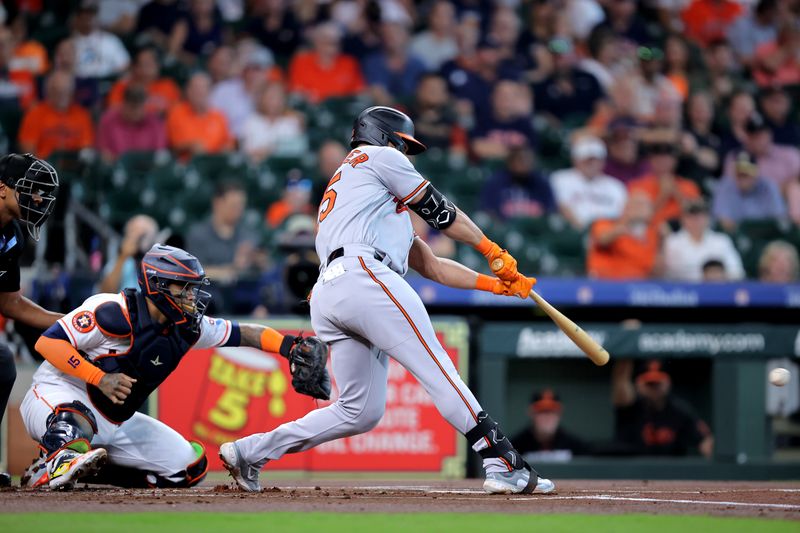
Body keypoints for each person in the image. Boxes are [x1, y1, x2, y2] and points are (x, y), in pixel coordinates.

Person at [219, 106, 556, 495]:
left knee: (359, 411)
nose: (406, 153)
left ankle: (250, 451)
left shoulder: (365, 194)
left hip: (333, 291)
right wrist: (490, 247)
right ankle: (501, 460)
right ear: (382, 136)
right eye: (403, 144)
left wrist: (495, 285)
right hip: (363, 277)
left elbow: (431, 266)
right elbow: (441, 213)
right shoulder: (378, 157)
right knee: (437, 367)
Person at [19, 244, 328, 489]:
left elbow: (244, 333)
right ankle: (53, 464)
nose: (193, 297)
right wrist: (98, 377)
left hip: (115, 421)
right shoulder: (110, 310)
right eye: (185, 288)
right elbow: (48, 342)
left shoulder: (187, 327)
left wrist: (288, 347)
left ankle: (78, 468)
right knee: (77, 417)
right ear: (158, 285)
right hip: (55, 396)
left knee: (188, 469)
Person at [0, 153, 62, 487]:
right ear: (2, 189)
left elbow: (10, 303)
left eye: (42, 192)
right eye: (31, 189)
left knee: (2, 362)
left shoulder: (11, 237)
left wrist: (70, 320)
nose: (39, 199)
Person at [612, 359, 713, 457]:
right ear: (638, 384)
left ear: (668, 383)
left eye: (658, 383)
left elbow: (706, 442)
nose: (654, 387)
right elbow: (621, 380)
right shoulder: (630, 407)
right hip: (632, 472)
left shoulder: (680, 411)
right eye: (649, 383)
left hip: (671, 472)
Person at [185, 180, 258, 287]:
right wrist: (232, 269)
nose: (239, 210)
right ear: (217, 203)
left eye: (241, 205)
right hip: (208, 296)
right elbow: (194, 272)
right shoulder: (198, 235)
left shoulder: (248, 234)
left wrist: (257, 261)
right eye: (234, 205)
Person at [551, 136, 627, 231]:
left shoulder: (615, 186)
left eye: (596, 159)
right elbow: (562, 207)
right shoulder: (560, 179)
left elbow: (623, 215)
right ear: (575, 159)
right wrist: (583, 231)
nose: (592, 164)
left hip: (607, 235)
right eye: (587, 160)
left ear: (603, 161)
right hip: (572, 233)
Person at [662, 199, 744, 281]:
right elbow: (667, 274)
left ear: (708, 218)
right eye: (691, 216)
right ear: (682, 219)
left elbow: (737, 272)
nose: (696, 220)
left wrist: (718, 275)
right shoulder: (672, 242)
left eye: (700, 216)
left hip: (716, 289)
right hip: (684, 291)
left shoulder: (721, 240)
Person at [18, 71, 94, 158]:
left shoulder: (82, 115)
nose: (62, 95)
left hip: (74, 166)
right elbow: (28, 150)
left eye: (66, 90)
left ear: (72, 92)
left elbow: (86, 149)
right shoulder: (34, 114)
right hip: (44, 166)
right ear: (48, 91)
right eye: (56, 90)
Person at [587, 191, 662, 279]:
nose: (641, 209)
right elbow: (602, 239)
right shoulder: (605, 223)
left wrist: (662, 242)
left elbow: (657, 269)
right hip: (605, 283)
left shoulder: (652, 234)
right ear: (625, 207)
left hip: (638, 286)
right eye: (638, 204)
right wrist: (624, 226)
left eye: (647, 205)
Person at [287, 22, 365, 104]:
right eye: (327, 42)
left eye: (335, 43)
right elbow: (295, 90)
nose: (332, 47)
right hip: (311, 109)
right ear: (317, 42)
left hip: (342, 110)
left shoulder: (349, 63)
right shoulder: (301, 61)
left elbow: (360, 92)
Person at [628, 142, 701, 228]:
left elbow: (697, 217)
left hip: (681, 233)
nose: (662, 162)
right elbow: (636, 220)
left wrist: (677, 194)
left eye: (667, 158)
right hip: (650, 233)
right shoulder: (637, 185)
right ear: (650, 160)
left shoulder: (689, 186)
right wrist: (662, 196)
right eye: (658, 158)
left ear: (675, 161)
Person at [712, 150, 787, 232]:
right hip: (736, 236)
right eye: (740, 174)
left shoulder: (768, 187)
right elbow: (723, 221)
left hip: (765, 235)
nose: (743, 178)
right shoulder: (725, 186)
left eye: (746, 174)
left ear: (756, 173)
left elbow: (778, 219)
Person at [165, 71, 232, 160]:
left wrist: (226, 148)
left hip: (215, 166)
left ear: (210, 92)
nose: (200, 93)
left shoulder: (219, 116)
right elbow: (173, 146)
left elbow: (228, 142)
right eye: (196, 89)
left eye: (203, 88)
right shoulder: (176, 113)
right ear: (188, 91)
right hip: (187, 166)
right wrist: (190, 146)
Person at [511, 390, 590, 463]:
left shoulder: (575, 445)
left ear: (559, 414)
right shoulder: (516, 445)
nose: (547, 417)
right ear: (531, 413)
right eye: (542, 412)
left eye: (552, 412)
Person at [479, 145, 556, 220]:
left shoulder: (541, 182)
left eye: (528, 161)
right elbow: (488, 210)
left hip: (536, 230)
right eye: (521, 160)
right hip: (504, 229)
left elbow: (549, 211)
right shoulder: (496, 182)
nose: (525, 164)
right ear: (510, 162)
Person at [96, 85, 167, 162]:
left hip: (148, 168)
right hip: (116, 167)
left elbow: (160, 153)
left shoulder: (155, 122)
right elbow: (103, 150)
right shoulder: (108, 119)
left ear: (145, 106)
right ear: (123, 104)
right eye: (132, 107)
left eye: (139, 107)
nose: (135, 112)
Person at [240, 81, 307, 164]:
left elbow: (297, 150)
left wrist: (269, 150)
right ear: (262, 99)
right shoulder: (251, 122)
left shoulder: (291, 122)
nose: (274, 102)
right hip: (256, 169)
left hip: (284, 168)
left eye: (278, 97)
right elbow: (246, 152)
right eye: (270, 97)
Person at [362, 21, 428, 105]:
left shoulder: (418, 64)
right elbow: (374, 89)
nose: (391, 38)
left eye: (396, 34)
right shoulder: (372, 62)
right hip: (381, 110)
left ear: (406, 36)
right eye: (386, 35)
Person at [106, 46, 182, 116]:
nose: (147, 69)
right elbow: (114, 112)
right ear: (134, 67)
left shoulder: (169, 86)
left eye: (151, 63)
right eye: (143, 64)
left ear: (158, 66)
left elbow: (176, 113)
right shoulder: (121, 86)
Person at [470, 80, 536, 161]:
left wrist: (495, 149)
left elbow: (529, 154)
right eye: (501, 95)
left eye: (509, 96)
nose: (505, 100)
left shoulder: (525, 124)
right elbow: (477, 147)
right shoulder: (483, 120)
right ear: (492, 97)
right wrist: (513, 152)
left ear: (516, 99)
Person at [98, 215, 159, 293]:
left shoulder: (157, 264)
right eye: (132, 233)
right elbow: (105, 292)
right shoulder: (122, 261)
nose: (136, 240)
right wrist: (123, 256)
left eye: (142, 236)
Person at [71, 0, 131, 79]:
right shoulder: (70, 43)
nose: (87, 19)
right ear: (77, 19)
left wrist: (110, 76)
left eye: (90, 15)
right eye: (83, 16)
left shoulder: (111, 40)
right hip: (80, 84)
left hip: (106, 83)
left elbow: (125, 64)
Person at [408, 0, 458, 71]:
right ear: (431, 17)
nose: (444, 19)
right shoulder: (417, 42)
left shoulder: (458, 43)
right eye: (440, 15)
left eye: (448, 15)